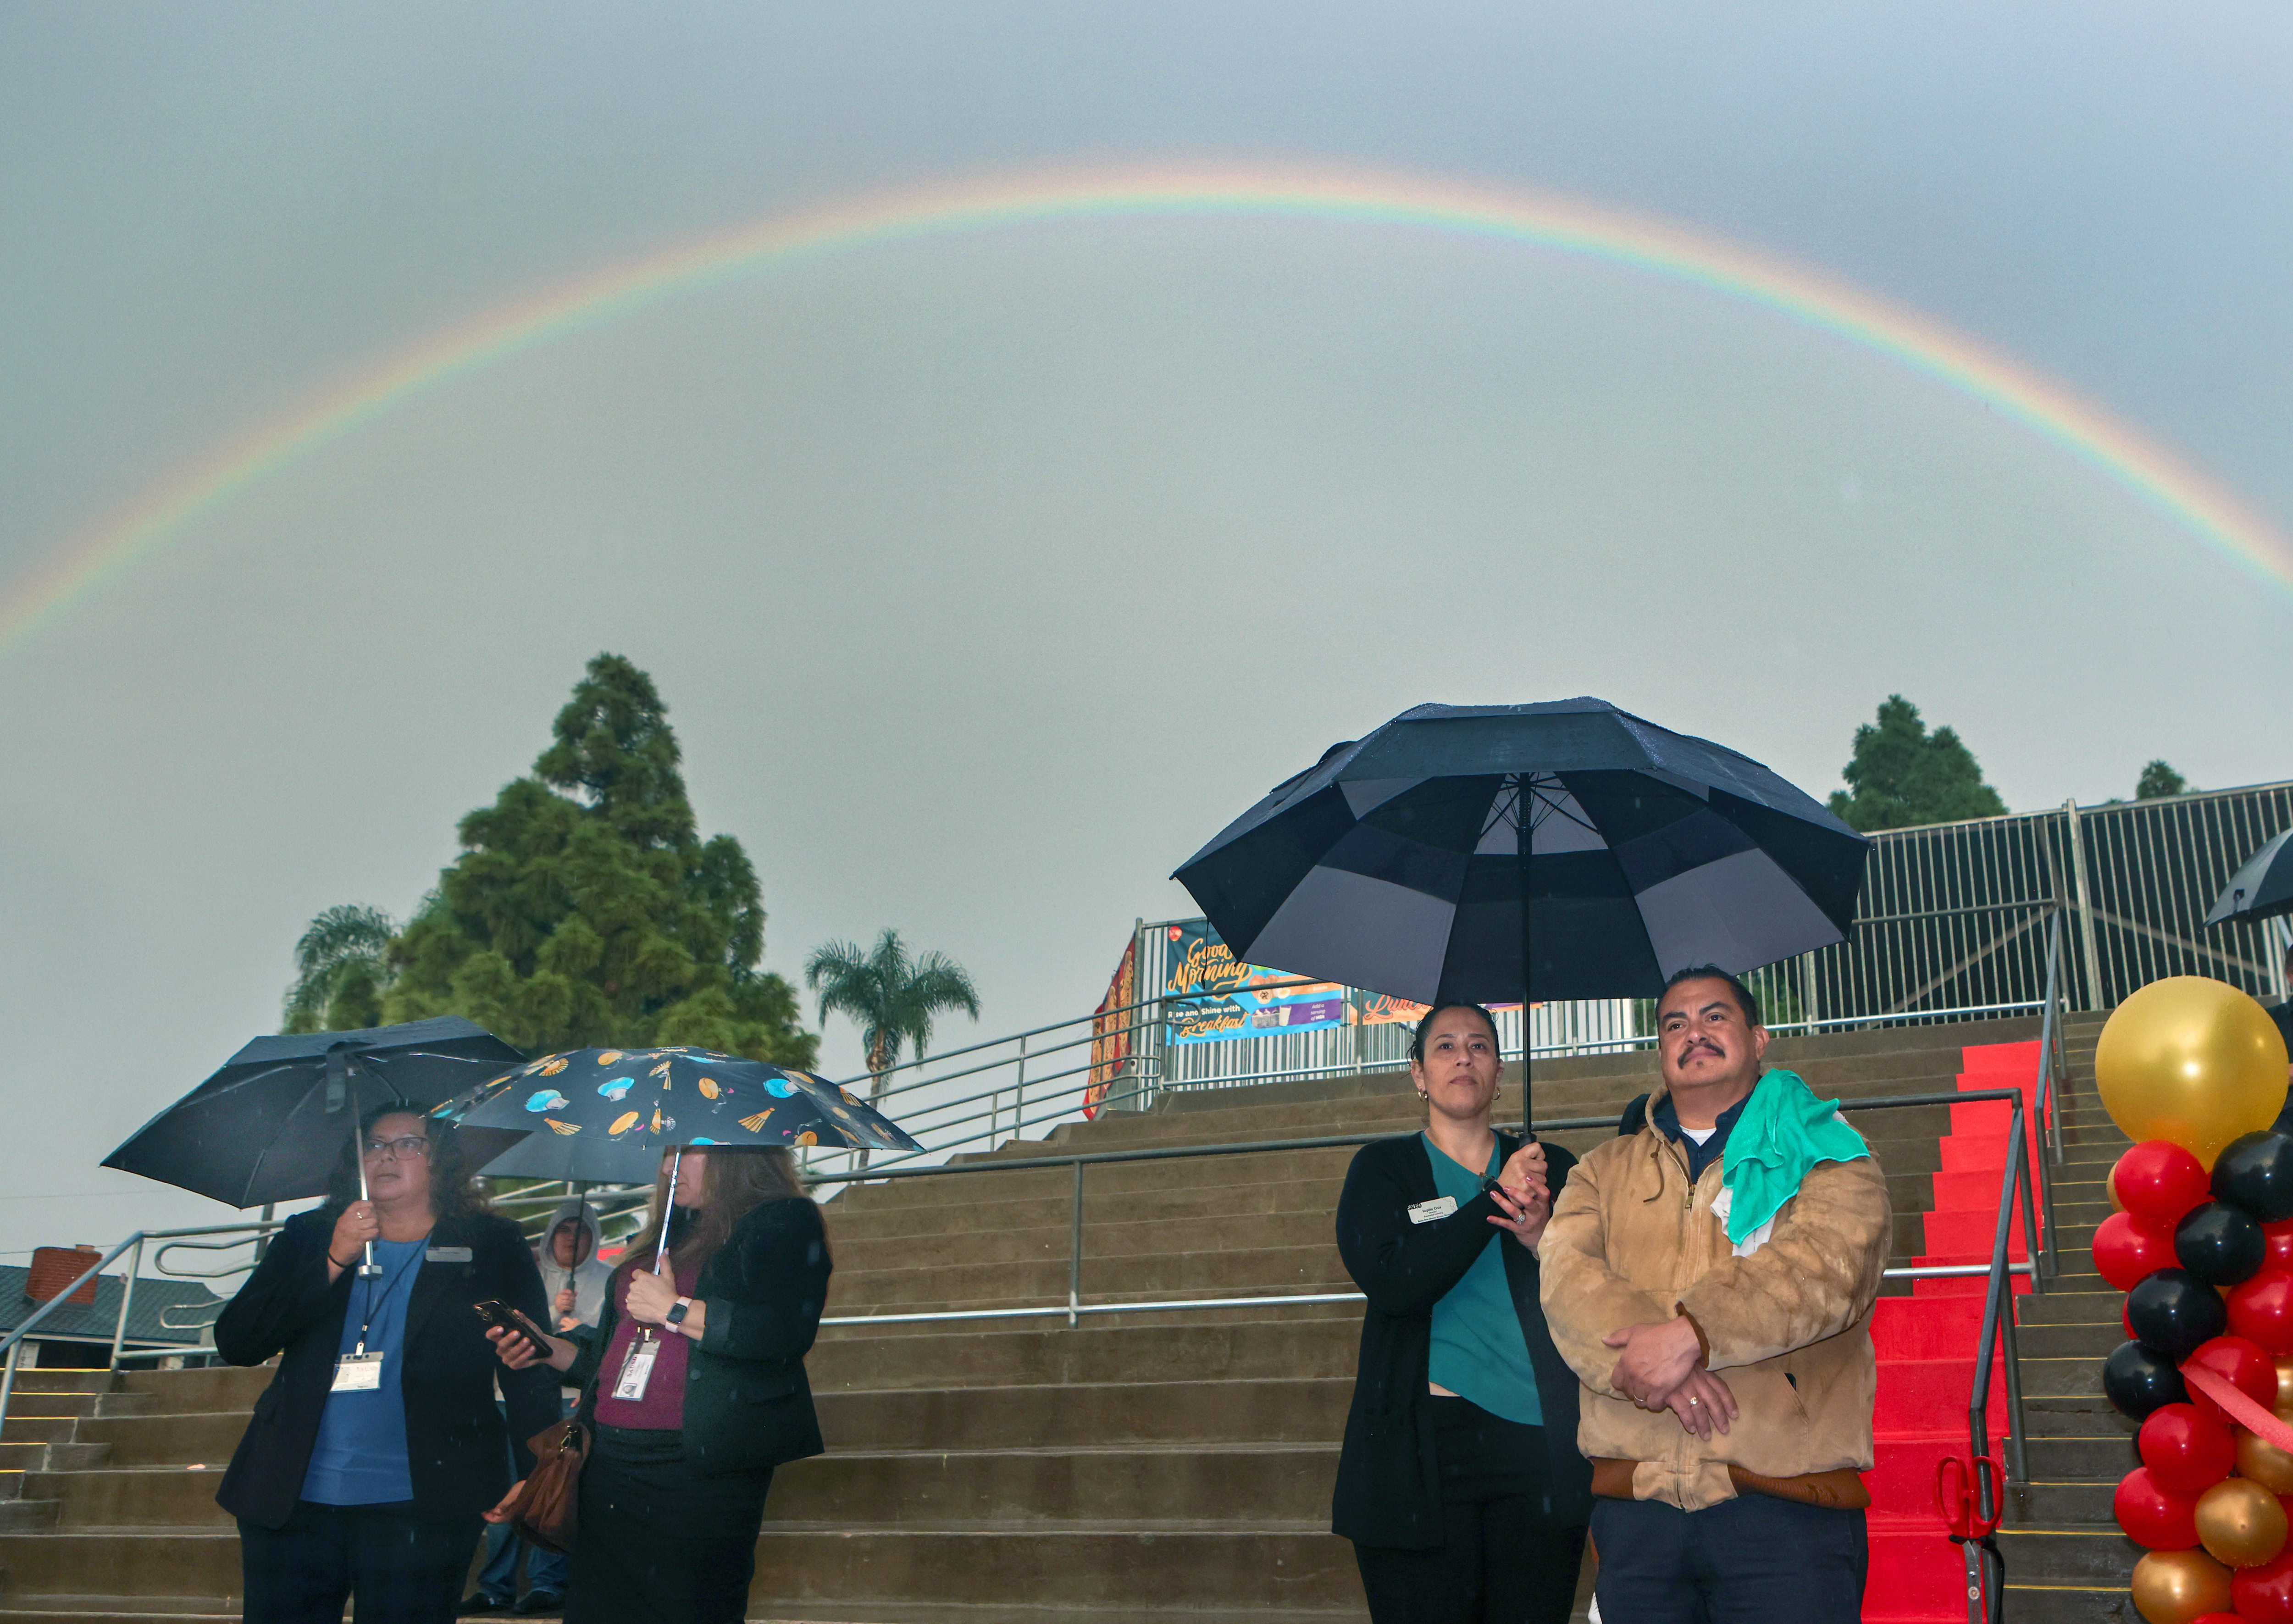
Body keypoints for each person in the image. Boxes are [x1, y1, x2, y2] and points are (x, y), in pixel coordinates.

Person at [1540, 966, 1892, 1624]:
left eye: (1714, 1016)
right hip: (1637, 1517)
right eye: (1674, 1023)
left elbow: (1829, 1266)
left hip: (1784, 1513)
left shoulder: (1829, 1149)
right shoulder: (1602, 1170)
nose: (1693, 1032)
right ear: (1660, 1050)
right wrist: (1665, 1373)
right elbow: (1567, 1281)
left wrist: (1693, 1333)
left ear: (1759, 1039)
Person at [216, 1107, 560, 1624]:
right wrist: (334, 1259)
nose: (387, 1155)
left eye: (408, 1143)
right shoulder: (311, 1234)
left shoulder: (490, 1243)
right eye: (374, 1144)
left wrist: (538, 1471)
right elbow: (238, 1340)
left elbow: (527, 1362)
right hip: (292, 1497)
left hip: (427, 1500)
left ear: (439, 1158)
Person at [487, 1145, 831, 1624]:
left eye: (688, 1152)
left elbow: (780, 1333)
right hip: (609, 1459)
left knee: (686, 1606)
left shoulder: (783, 1221)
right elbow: (611, 1354)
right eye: (668, 1153)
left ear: (737, 1155)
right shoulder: (670, 1231)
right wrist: (547, 1345)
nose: (669, 1168)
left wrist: (673, 1308)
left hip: (696, 1467)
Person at [1332, 1002, 1593, 1624]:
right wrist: (1492, 1199)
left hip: (1539, 1451)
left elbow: (1597, 1288)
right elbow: (1397, 1282)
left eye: (1479, 1045)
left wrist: (1543, 1239)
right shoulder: (1383, 1168)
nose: (1463, 1057)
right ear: (1418, 1072)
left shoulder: (1554, 1167)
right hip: (1421, 1457)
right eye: (1445, 1046)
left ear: (1500, 1071)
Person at [462, 1202, 611, 1616]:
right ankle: (496, 1585)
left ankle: (548, 1582)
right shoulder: (523, 1271)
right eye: (562, 1229)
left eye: (580, 1229)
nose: (570, 1237)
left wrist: (577, 1319)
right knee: (506, 1490)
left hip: (570, 1399)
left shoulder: (611, 1279)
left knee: (552, 1491)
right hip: (512, 1398)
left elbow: (606, 1342)